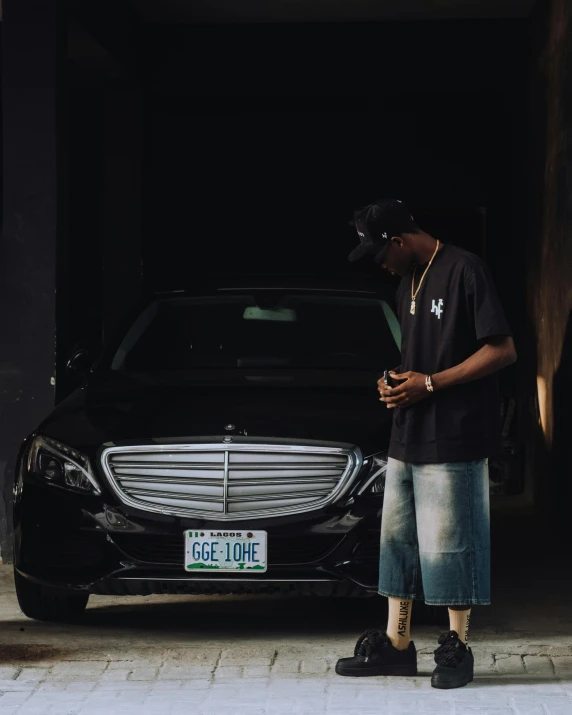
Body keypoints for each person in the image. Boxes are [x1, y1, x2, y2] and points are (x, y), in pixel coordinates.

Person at [336, 199, 516, 689]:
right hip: (408, 434)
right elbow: (417, 357)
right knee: (398, 543)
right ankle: (397, 647)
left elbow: (502, 349)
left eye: (379, 253)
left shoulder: (464, 270)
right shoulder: (406, 282)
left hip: (454, 435)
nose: (379, 264)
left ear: (398, 240)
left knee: (451, 545)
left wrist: (431, 384)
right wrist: (394, 382)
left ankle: (457, 647)